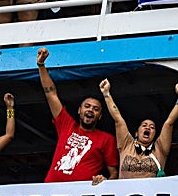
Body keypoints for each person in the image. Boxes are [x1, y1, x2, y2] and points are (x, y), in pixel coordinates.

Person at [37, 47, 119, 183]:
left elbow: (114, 173)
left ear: (100, 116)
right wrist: (41, 65)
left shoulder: (106, 139)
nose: (90, 110)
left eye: (96, 109)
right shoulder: (67, 125)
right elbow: (50, 93)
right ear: (79, 110)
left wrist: (104, 182)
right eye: (87, 106)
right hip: (50, 192)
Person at [100, 78, 178, 178]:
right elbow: (118, 119)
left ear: (155, 134)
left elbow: (169, 123)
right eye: (144, 125)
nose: (148, 128)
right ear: (136, 133)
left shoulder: (160, 148)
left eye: (152, 127)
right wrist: (106, 94)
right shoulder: (126, 144)